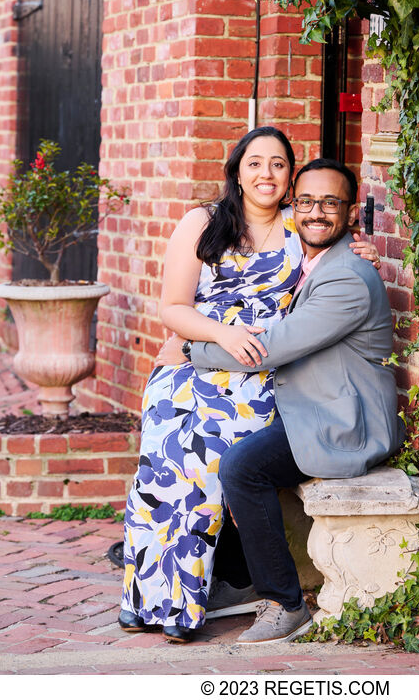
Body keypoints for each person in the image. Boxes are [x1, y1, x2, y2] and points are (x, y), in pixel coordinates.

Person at [118, 129, 379, 643]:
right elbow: (172, 306)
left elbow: (334, 255)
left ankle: (186, 606)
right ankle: (147, 598)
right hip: (193, 365)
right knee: (163, 472)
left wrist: (360, 246)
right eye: (255, 163)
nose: (266, 174)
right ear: (237, 170)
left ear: (289, 177)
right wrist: (215, 334)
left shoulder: (297, 230)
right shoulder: (203, 222)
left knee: (209, 474)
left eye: (278, 165)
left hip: (258, 378)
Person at [167, 158, 405, 645]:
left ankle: (285, 603)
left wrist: (193, 348)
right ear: (294, 206)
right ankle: (238, 579)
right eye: (308, 201)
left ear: (351, 212)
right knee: (214, 433)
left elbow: (273, 346)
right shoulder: (313, 257)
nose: (318, 212)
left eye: (331, 203)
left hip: (341, 421)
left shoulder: (347, 278)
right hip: (311, 403)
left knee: (243, 467)